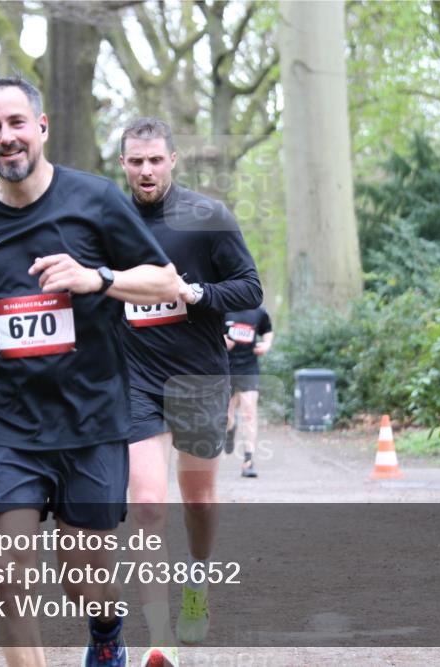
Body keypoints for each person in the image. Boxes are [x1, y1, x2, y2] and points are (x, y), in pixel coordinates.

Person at [0, 78, 178, 667]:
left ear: (41, 126)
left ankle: (106, 629)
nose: (7, 138)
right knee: (9, 576)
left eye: (16, 123)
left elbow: (167, 283)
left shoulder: (97, 200)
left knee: (84, 580)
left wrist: (97, 278)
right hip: (5, 422)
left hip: (91, 419)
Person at [118, 118, 262, 666]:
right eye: (136, 161)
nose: (146, 170)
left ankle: (197, 584)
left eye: (155, 160)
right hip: (135, 379)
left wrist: (194, 292)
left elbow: (249, 287)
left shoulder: (208, 217)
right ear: (124, 164)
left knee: (197, 500)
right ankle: (159, 637)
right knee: (148, 503)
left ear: (174, 160)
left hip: (199, 376)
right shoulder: (109, 220)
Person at [224, 307, 274, 477]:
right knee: (227, 416)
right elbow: (210, 332)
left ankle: (248, 461)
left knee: (249, 413)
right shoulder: (223, 308)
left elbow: (267, 330)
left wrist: (266, 345)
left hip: (248, 368)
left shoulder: (258, 312)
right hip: (225, 368)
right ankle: (230, 429)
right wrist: (221, 340)